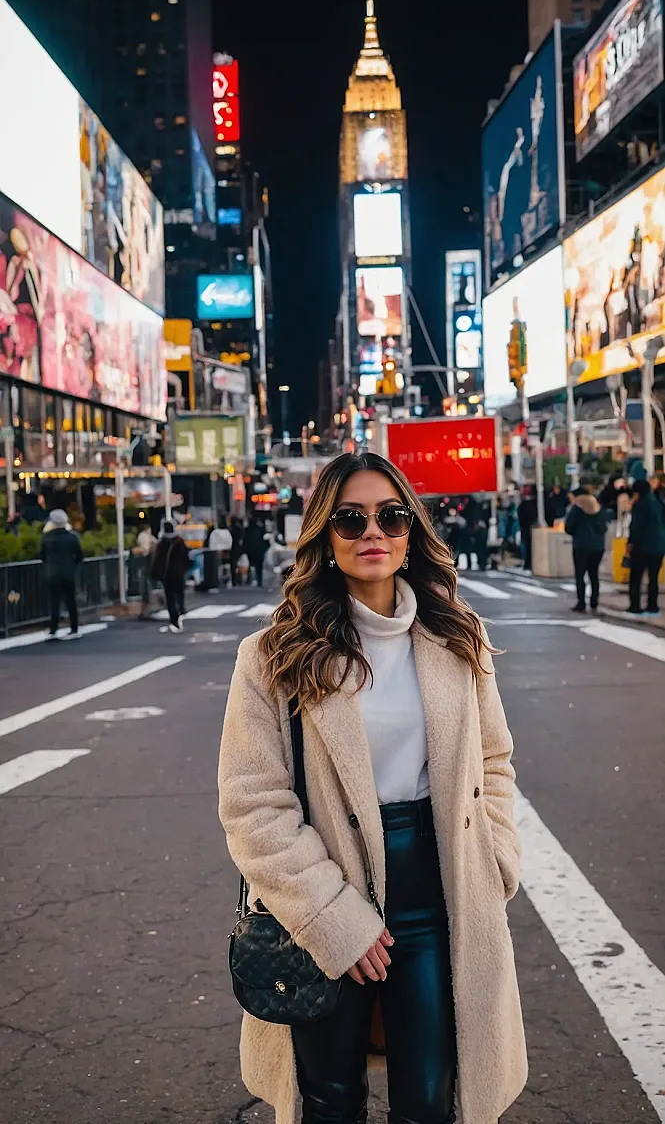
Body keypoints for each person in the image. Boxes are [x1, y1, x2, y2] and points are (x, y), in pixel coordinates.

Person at [218, 452, 527, 1124]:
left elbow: (493, 760)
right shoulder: (274, 653)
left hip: (437, 887)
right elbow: (253, 803)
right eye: (349, 519)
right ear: (324, 538)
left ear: (410, 530)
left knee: (429, 1097)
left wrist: (495, 859)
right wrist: (332, 917)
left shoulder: (456, 637)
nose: (371, 533)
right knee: (330, 1099)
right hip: (323, 887)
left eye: (390, 516)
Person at [564, 488, 611, 614]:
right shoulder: (598, 507)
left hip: (581, 545)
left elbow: (569, 527)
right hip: (597, 546)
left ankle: (581, 603)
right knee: (594, 574)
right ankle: (594, 601)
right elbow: (604, 527)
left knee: (580, 575)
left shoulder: (576, 508)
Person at [40, 508, 83, 640]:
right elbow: (79, 555)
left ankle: (53, 630)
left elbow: (42, 555)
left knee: (54, 602)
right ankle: (74, 628)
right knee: (71, 601)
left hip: (52, 573)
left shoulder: (47, 537)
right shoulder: (72, 537)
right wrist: (72, 565)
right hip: (68, 573)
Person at [626, 478, 665, 615]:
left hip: (642, 546)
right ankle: (652, 605)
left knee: (636, 577)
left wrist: (630, 543)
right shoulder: (659, 502)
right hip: (659, 545)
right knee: (653, 578)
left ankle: (635, 606)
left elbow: (636, 527)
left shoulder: (640, 504)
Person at [151, 521, 190, 632]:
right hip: (179, 572)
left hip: (167, 573)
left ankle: (174, 616)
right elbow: (186, 557)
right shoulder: (179, 541)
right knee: (180, 591)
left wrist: (156, 572)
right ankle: (181, 608)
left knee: (170, 596)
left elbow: (158, 559)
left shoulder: (162, 543)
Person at [133, 523, 157, 619]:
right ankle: (144, 611)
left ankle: (143, 611)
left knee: (145, 588)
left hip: (146, 568)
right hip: (151, 568)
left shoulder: (145, 538)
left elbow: (144, 550)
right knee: (147, 588)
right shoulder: (152, 540)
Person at [243, 515, 268, 587]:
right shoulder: (261, 529)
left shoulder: (247, 529)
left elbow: (245, 540)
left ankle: (248, 579)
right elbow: (265, 540)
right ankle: (259, 580)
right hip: (259, 550)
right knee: (259, 566)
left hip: (250, 550)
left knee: (250, 564)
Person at [517, 486, 537, 571]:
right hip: (532, 528)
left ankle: (527, 564)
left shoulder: (523, 505)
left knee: (526, 546)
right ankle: (530, 564)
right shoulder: (536, 504)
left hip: (525, 529)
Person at [229, 516, 244, 586]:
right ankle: (240, 579)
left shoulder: (231, 529)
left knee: (233, 565)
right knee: (240, 564)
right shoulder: (240, 528)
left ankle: (234, 580)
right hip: (239, 548)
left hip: (233, 548)